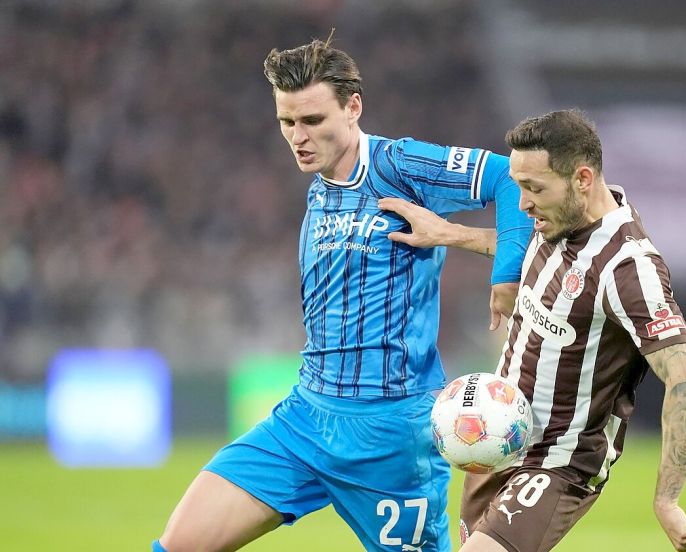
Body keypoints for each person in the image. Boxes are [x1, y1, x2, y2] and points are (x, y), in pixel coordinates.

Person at [153, 36, 532, 552]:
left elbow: (510, 179)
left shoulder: (398, 165)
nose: (297, 137)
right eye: (287, 122)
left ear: (353, 107)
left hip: (390, 435)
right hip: (305, 418)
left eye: (312, 121)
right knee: (180, 544)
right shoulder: (321, 184)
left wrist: (506, 277)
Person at [388, 109, 686, 552]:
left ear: (583, 178)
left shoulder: (628, 268)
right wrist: (447, 233)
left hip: (555, 464)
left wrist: (668, 499)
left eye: (534, 188)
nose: (522, 203)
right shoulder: (561, 219)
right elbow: (523, 249)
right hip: (492, 443)